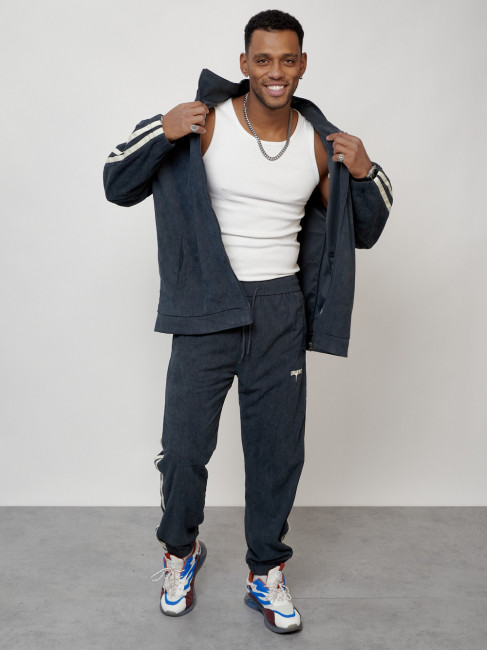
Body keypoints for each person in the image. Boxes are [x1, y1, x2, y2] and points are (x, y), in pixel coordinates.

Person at [103, 9, 392, 635]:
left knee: (276, 454)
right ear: (244, 64)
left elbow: (364, 231)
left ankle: (266, 572)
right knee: (184, 450)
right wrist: (160, 131)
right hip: (206, 304)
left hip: (280, 311)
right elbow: (116, 183)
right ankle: (180, 552)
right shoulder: (203, 124)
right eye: (263, 59)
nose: (275, 72)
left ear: (302, 65)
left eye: (287, 59)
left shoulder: (320, 144)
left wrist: (366, 172)